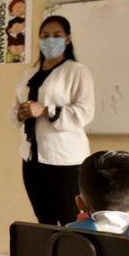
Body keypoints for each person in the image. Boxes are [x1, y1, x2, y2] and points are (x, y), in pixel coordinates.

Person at [11, 15, 95, 225]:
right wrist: (19, 114)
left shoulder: (77, 71)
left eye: (56, 35)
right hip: (32, 156)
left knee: (70, 217)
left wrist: (47, 110)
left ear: (67, 39)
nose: (50, 40)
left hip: (65, 159)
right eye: (45, 36)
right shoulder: (29, 73)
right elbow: (15, 106)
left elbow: (85, 112)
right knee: (44, 217)